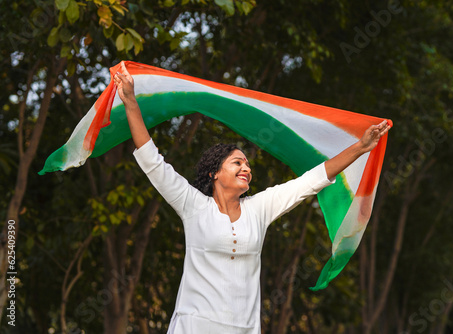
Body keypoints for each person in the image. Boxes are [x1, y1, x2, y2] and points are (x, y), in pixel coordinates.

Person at [113, 62, 390, 333]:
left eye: (247, 164)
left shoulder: (259, 209)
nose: (246, 168)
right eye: (236, 163)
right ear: (214, 173)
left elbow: (311, 180)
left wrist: (360, 147)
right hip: (195, 324)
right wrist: (130, 102)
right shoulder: (193, 205)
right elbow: (152, 160)